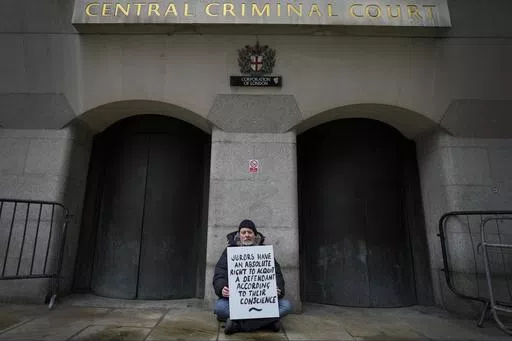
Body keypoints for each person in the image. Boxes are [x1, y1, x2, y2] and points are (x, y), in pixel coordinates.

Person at [213, 219, 292, 334]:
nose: (247, 235)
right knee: (219, 307)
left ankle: (237, 325)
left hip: (262, 302)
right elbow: (220, 272)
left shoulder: (264, 251)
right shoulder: (230, 250)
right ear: (239, 235)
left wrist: (277, 288)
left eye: (250, 232)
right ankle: (268, 322)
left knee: (286, 306)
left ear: (255, 235)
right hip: (235, 300)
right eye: (243, 232)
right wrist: (222, 288)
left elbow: (276, 273)